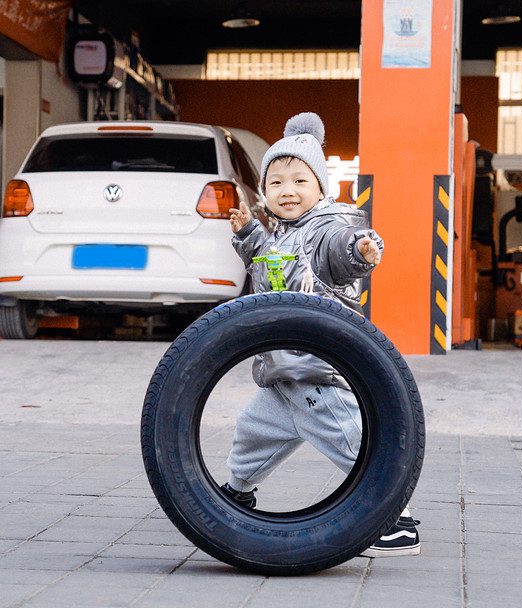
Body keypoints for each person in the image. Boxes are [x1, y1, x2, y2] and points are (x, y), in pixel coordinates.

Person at [222, 112, 421, 558]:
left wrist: (360, 251)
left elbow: (340, 251)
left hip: (318, 370)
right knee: (251, 433)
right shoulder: (279, 235)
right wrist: (246, 234)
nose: (287, 191)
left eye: (299, 181)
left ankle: (394, 520)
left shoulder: (325, 229)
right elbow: (264, 257)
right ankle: (236, 493)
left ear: (321, 189)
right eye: (275, 183)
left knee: (353, 442)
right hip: (280, 374)